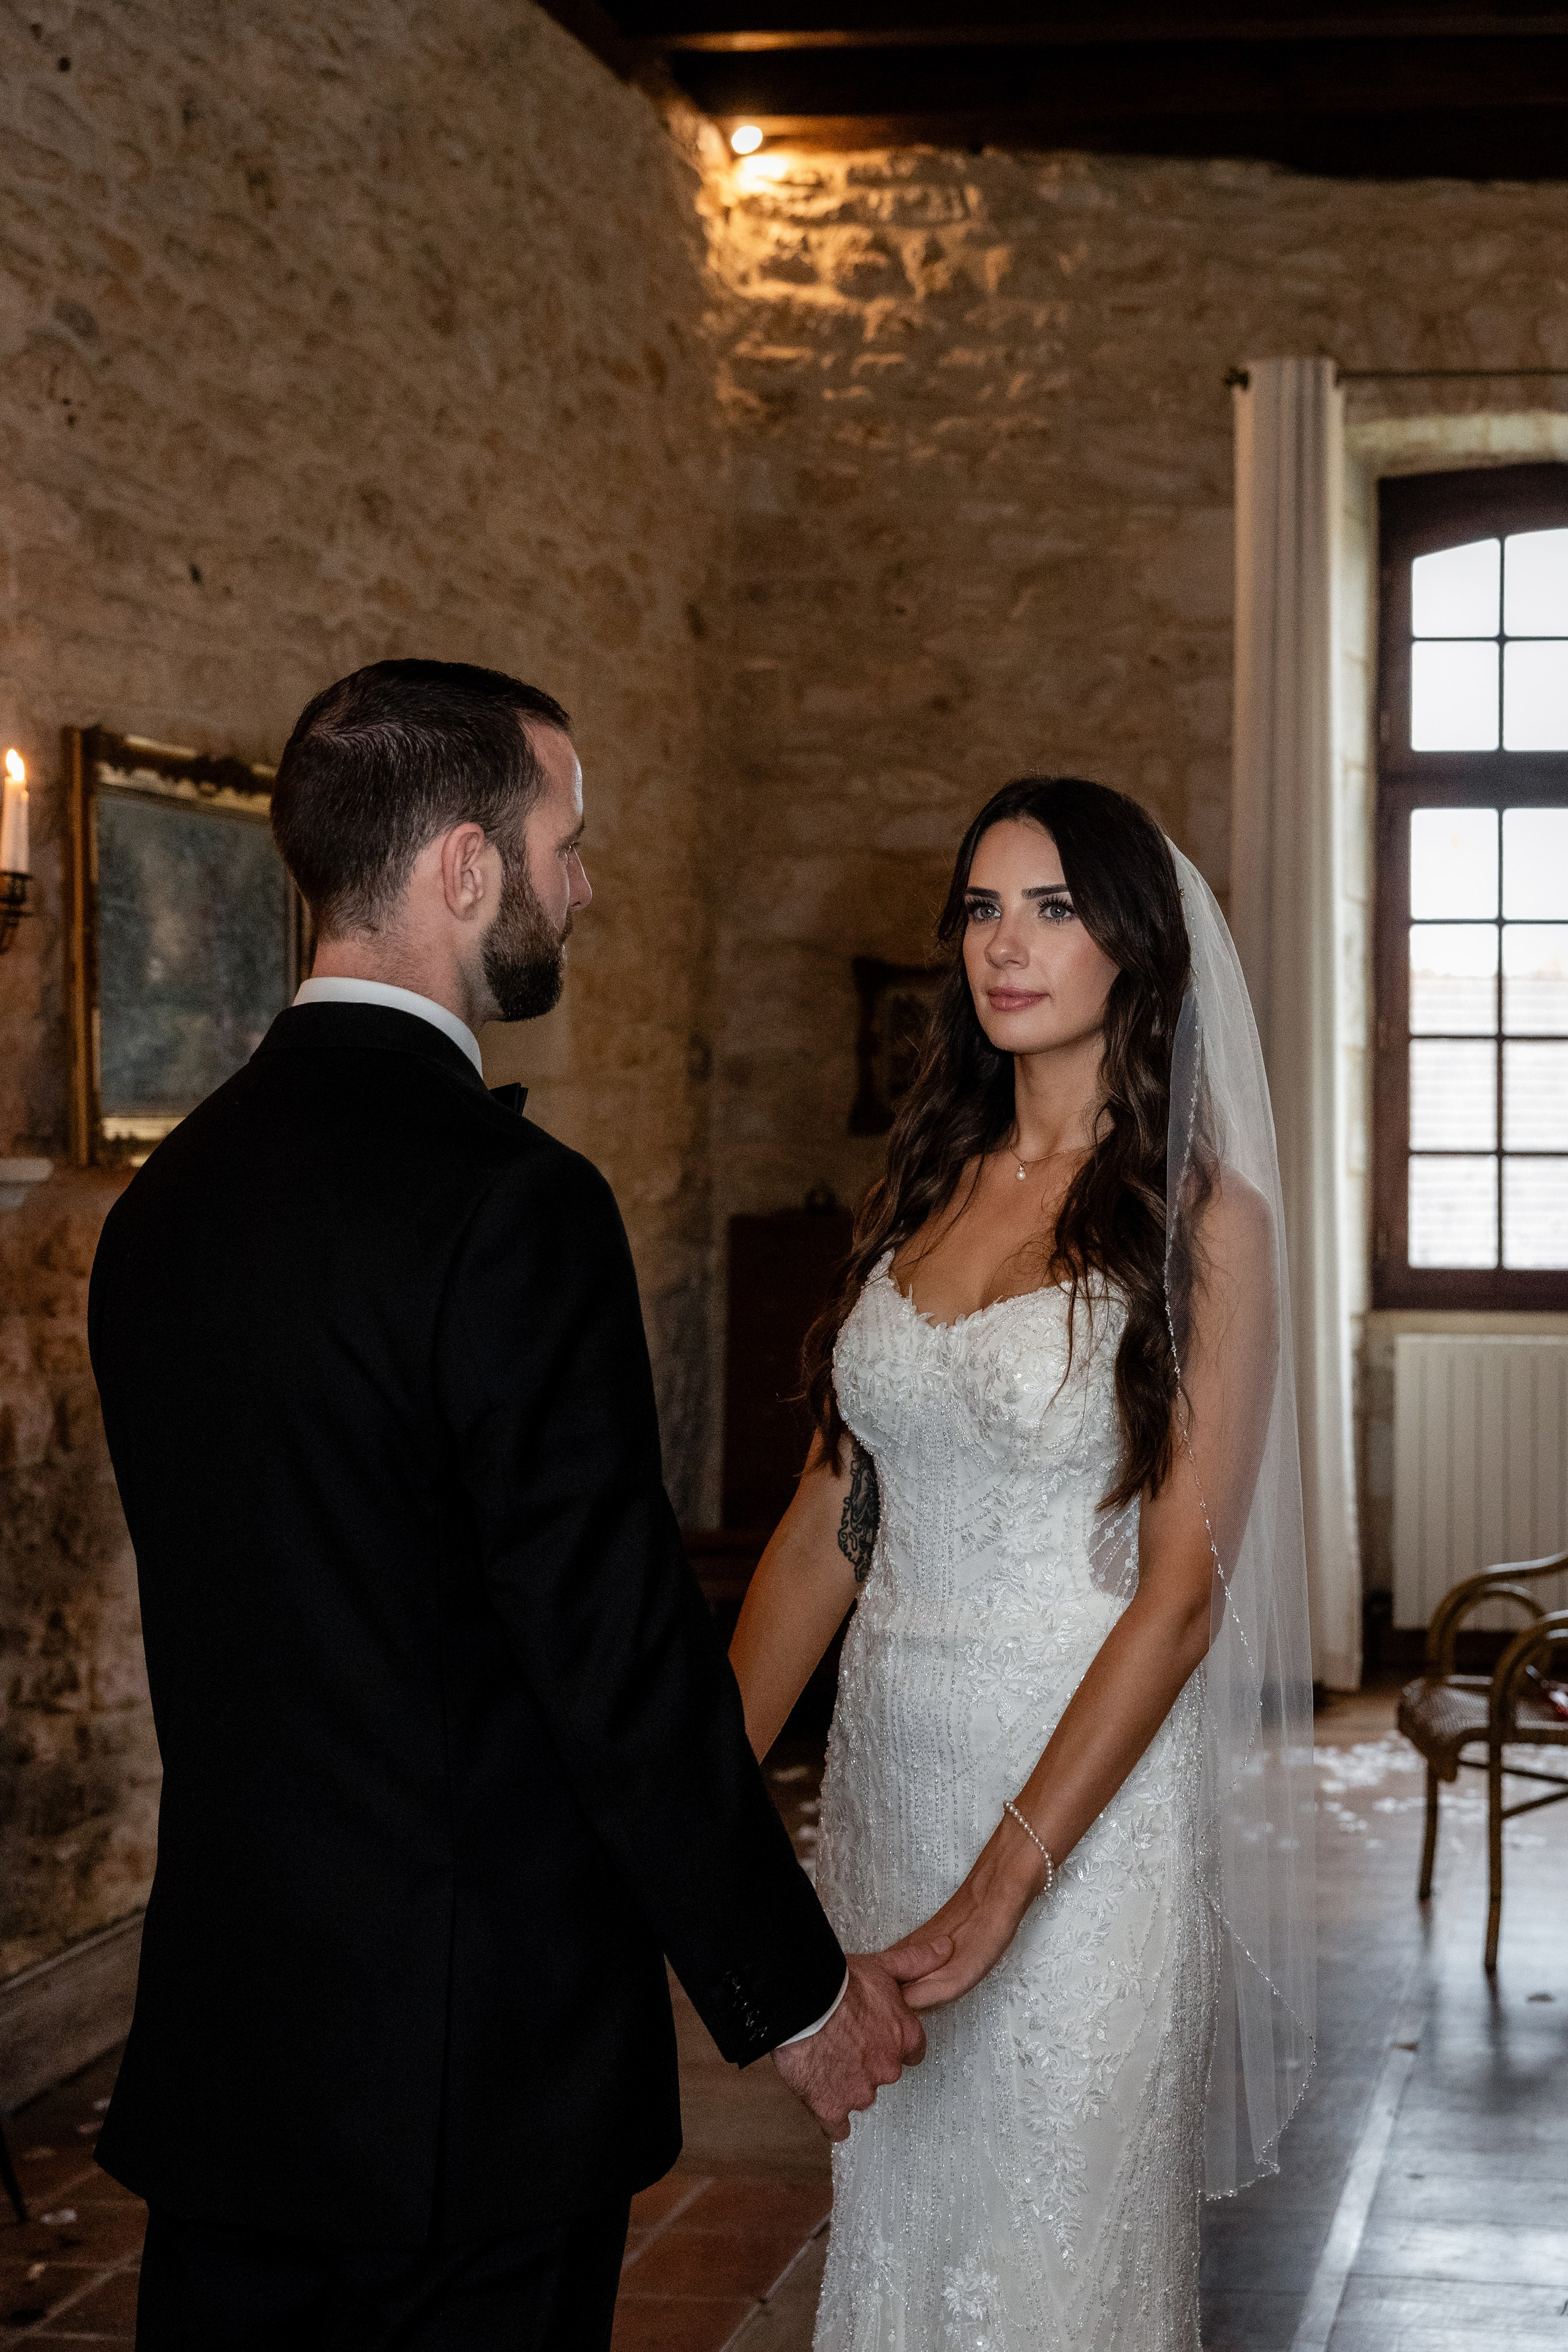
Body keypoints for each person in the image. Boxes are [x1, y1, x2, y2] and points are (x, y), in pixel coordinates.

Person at [89, 659, 945, 2351]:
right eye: (569, 841)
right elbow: (614, 1660)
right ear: (463, 868)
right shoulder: (516, 1208)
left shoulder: (164, 1206)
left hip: (232, 2053)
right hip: (468, 2077)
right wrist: (790, 1991)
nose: (587, 884)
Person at [729, 777, 1315, 2350]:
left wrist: (1002, 1888)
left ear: (1131, 940)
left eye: (1052, 908)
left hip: (1076, 1834)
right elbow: (824, 1529)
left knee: (1049, 2276)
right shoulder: (920, 1185)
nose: (1007, 944)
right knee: (902, 2250)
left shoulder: (1202, 1221)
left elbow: (1181, 1595)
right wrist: (695, 1807)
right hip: (884, 1800)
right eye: (982, 908)